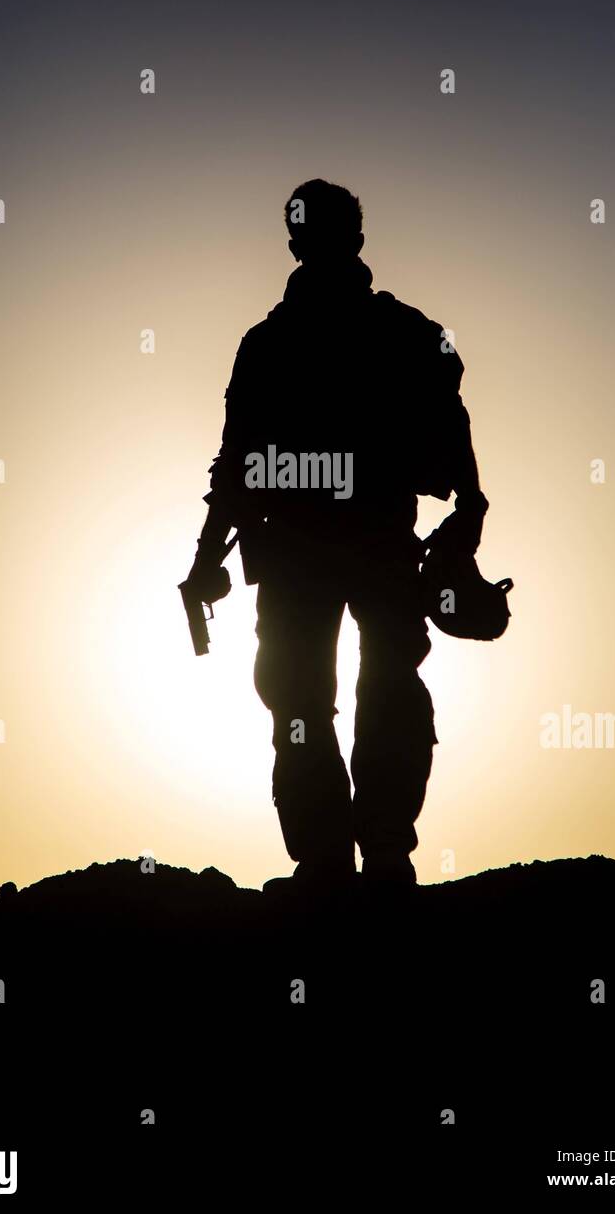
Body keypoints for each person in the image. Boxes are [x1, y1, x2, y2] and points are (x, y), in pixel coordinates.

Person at [183, 179, 487, 893]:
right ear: (351, 239)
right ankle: (360, 859)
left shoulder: (278, 344)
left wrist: (204, 558)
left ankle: (348, 861)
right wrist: (468, 511)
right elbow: (237, 463)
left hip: (327, 548)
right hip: (348, 546)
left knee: (327, 697)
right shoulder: (393, 333)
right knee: (342, 692)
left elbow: (236, 467)